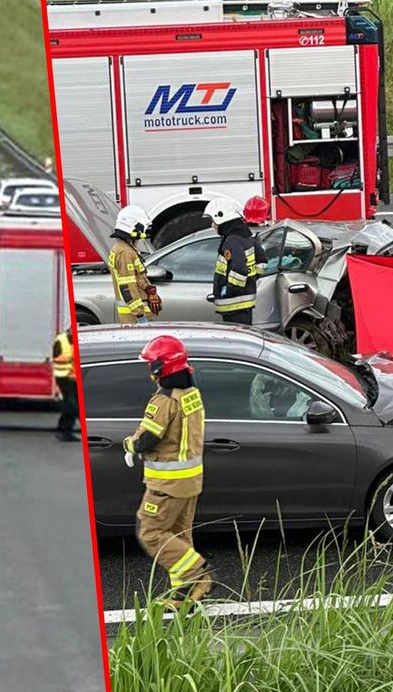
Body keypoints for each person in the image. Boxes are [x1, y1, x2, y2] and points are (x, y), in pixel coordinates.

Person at [123, 335, 212, 607]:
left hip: (167, 483)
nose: (149, 369)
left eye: (152, 365)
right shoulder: (191, 394)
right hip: (190, 481)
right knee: (179, 537)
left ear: (161, 368)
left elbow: (147, 440)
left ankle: (197, 573)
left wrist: (130, 444)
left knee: (150, 532)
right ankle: (184, 597)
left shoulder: (163, 401)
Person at [205, 195, 268, 326]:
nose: (212, 225)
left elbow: (239, 269)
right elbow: (262, 261)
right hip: (245, 302)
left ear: (221, 219)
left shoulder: (231, 241)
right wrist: (252, 280)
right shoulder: (246, 237)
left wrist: (228, 290)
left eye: (213, 221)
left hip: (233, 304)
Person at [108, 205, 160, 326]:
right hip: (133, 317)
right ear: (134, 226)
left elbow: (136, 279)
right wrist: (140, 315)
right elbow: (127, 286)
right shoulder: (125, 252)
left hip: (133, 315)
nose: (144, 232)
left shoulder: (123, 248)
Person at [52, 328, 79, 442]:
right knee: (71, 404)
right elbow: (56, 357)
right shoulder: (61, 340)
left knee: (70, 403)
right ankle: (65, 431)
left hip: (72, 377)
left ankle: (64, 428)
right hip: (63, 376)